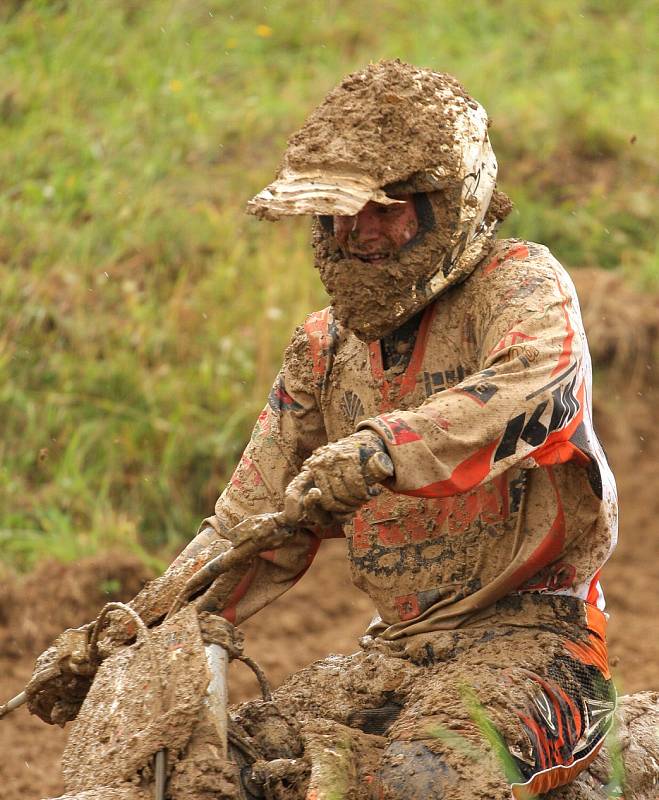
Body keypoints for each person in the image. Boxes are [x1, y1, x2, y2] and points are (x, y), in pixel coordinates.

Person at [26, 60, 617, 799]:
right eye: (335, 213)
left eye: (384, 210)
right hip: (390, 651)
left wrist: (381, 449)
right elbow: (246, 528)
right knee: (206, 770)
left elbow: (534, 382)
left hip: (539, 642)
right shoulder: (321, 349)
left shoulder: (518, 283)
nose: (354, 235)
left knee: (424, 783)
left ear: (448, 201)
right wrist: (122, 633)